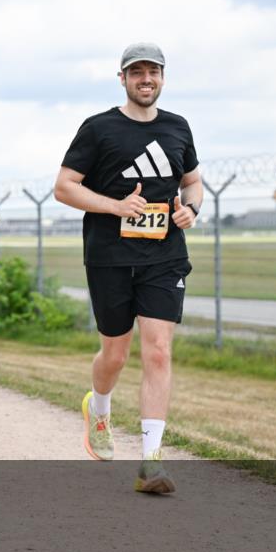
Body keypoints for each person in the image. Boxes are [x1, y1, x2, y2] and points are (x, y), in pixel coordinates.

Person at [54, 43, 202, 495]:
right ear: (122, 79)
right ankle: (99, 409)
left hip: (164, 256)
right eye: (136, 72)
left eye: (153, 71)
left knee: (158, 351)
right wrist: (116, 206)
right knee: (115, 355)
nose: (145, 79)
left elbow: (193, 181)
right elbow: (64, 187)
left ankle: (151, 463)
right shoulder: (99, 128)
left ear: (163, 77)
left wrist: (191, 209)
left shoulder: (178, 127)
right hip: (110, 257)